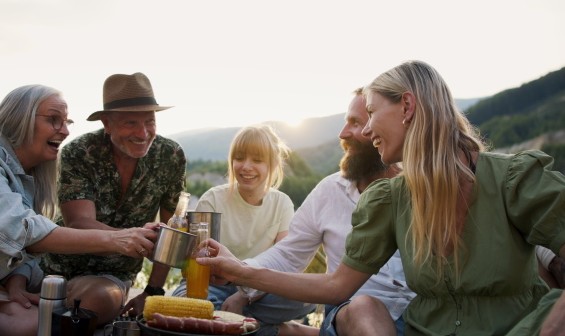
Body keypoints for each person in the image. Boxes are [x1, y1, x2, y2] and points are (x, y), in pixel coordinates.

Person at [198, 60, 565, 335]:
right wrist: (240, 271)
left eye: (371, 113)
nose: (367, 128)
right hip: (420, 329)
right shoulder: (391, 200)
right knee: (362, 306)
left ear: (407, 107)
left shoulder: (513, 179)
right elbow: (337, 286)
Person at [0, 85, 158, 336]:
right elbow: (22, 231)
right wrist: (119, 239)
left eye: (66, 122)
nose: (65, 131)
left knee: (37, 322)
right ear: (19, 119)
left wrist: (17, 279)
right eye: (54, 120)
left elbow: (22, 249)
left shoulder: (30, 174)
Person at [238, 88, 415, 336]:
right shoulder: (330, 190)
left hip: (418, 317)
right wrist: (237, 273)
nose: (343, 134)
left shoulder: (421, 190)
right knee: (363, 307)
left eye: (356, 122)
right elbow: (289, 254)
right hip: (350, 314)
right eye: (346, 122)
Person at [40, 72, 187, 325]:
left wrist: (153, 291)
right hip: (56, 266)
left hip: (112, 276)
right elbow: (79, 223)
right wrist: (130, 237)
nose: (143, 133)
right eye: (130, 122)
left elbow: (172, 232)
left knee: (94, 303)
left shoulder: (171, 155)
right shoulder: (80, 151)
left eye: (149, 121)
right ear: (107, 123)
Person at [172, 125, 315, 336]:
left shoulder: (282, 203)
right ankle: (275, 330)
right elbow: (195, 266)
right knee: (186, 306)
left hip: (261, 291)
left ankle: (227, 322)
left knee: (307, 297)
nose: (246, 167)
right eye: (239, 158)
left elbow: (285, 266)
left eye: (257, 160)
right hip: (212, 287)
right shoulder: (212, 199)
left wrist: (244, 296)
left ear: (273, 164)